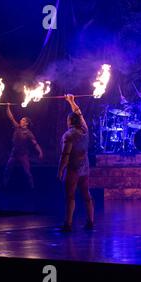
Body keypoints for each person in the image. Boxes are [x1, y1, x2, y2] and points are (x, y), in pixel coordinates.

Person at [57, 94, 94, 232]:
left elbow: (65, 155)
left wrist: (60, 170)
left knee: (70, 196)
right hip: (85, 168)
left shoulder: (69, 135)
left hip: (73, 169)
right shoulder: (85, 130)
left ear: (70, 121)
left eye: (68, 119)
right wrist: (72, 101)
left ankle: (68, 223)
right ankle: (90, 220)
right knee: (86, 193)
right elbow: (80, 114)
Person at [3, 104, 43, 189]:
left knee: (27, 172)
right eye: (21, 120)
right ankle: (4, 186)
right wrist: (8, 107)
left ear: (26, 123)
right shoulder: (17, 127)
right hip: (14, 153)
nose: (20, 121)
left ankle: (32, 187)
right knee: (7, 169)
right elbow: (11, 117)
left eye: (23, 120)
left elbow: (35, 143)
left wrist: (40, 151)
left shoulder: (28, 133)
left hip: (23, 155)